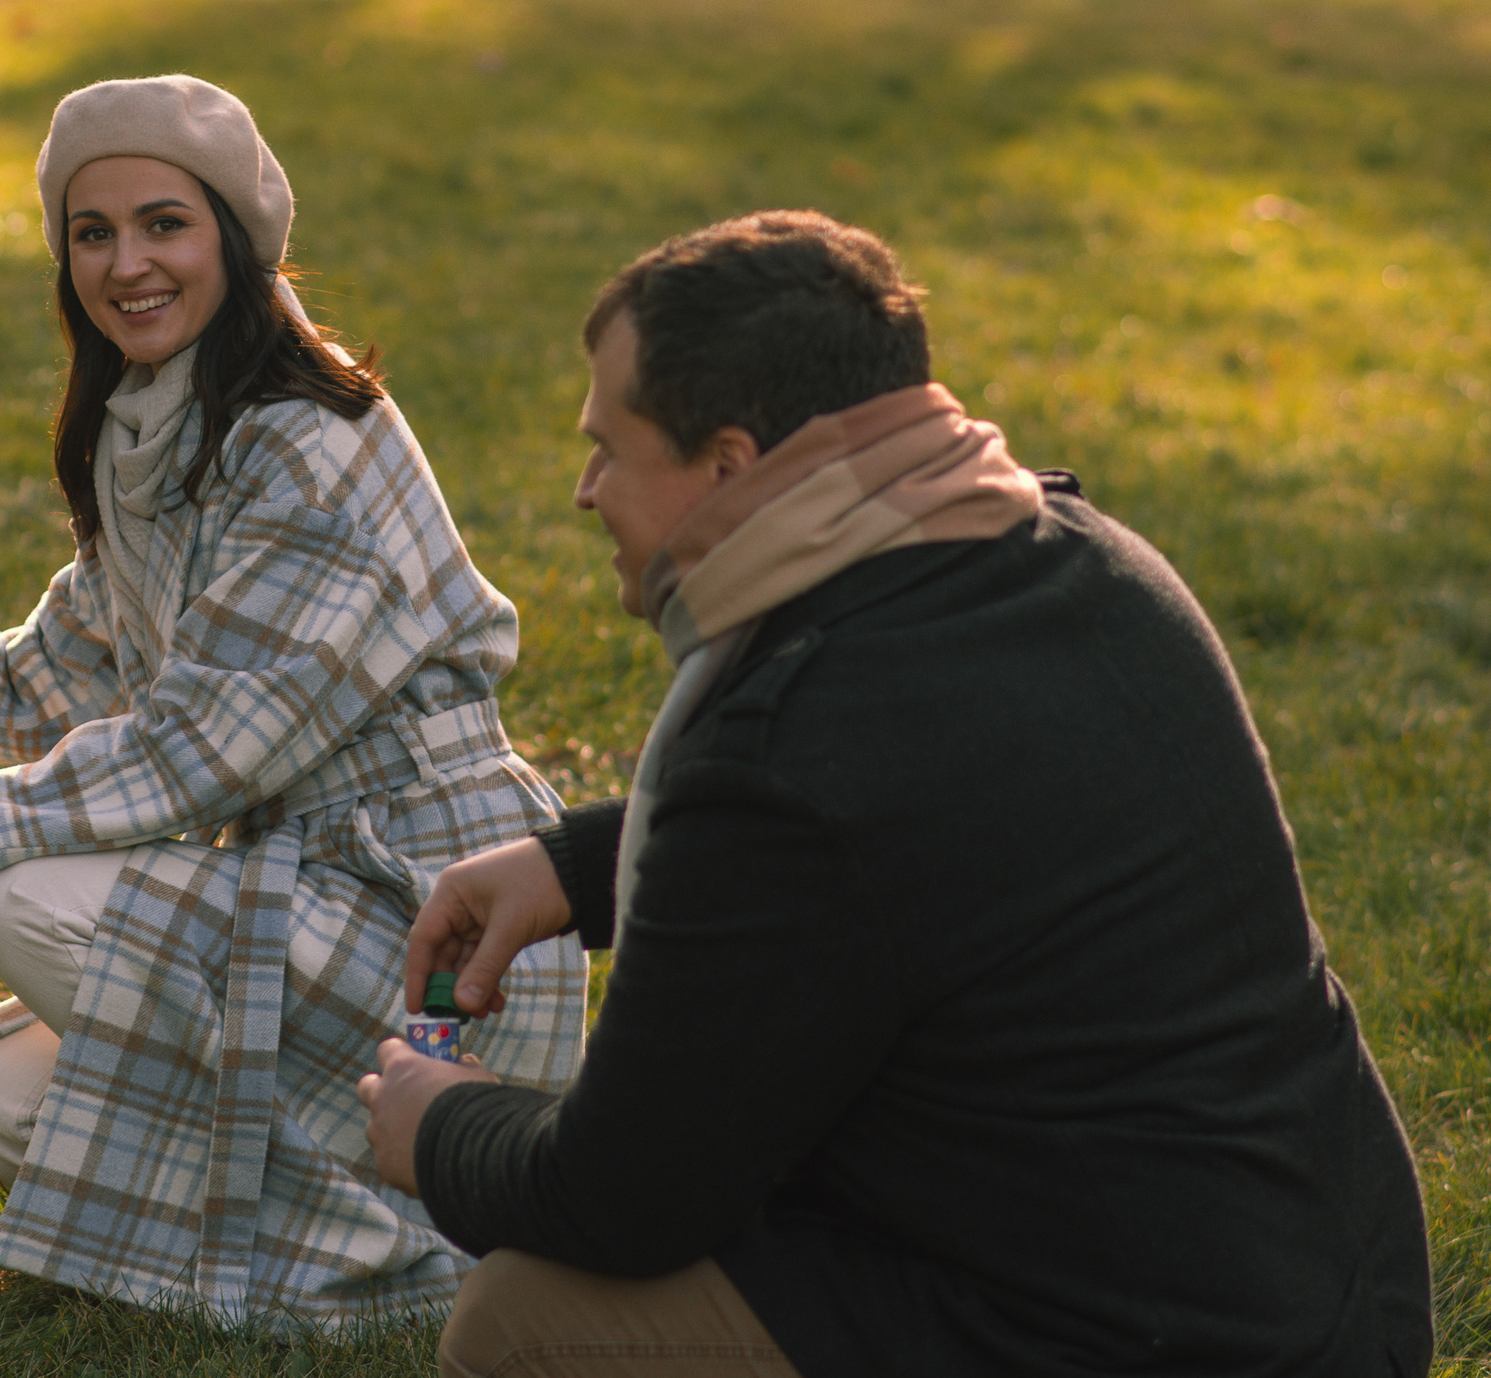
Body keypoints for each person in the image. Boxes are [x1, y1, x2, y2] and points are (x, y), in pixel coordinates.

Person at [358, 211, 1433, 1377]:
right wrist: (577, 867)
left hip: (1139, 1343)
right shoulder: (1075, 554)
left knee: (523, 1320)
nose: (582, 488)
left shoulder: (790, 742)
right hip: (1329, 1297)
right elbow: (909, 830)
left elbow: (621, 1197)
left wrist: (440, 1121)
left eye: (610, 447)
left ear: (727, 466)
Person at [0, 75, 585, 1325]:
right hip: (306, 897)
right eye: (90, 232)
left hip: (431, 922)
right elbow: (42, 680)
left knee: (26, 898)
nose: (126, 263)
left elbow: (202, 748)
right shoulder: (153, 425)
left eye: (165, 223)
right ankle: (337, 1205)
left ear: (236, 235)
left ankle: (443, 1223)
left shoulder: (308, 442)